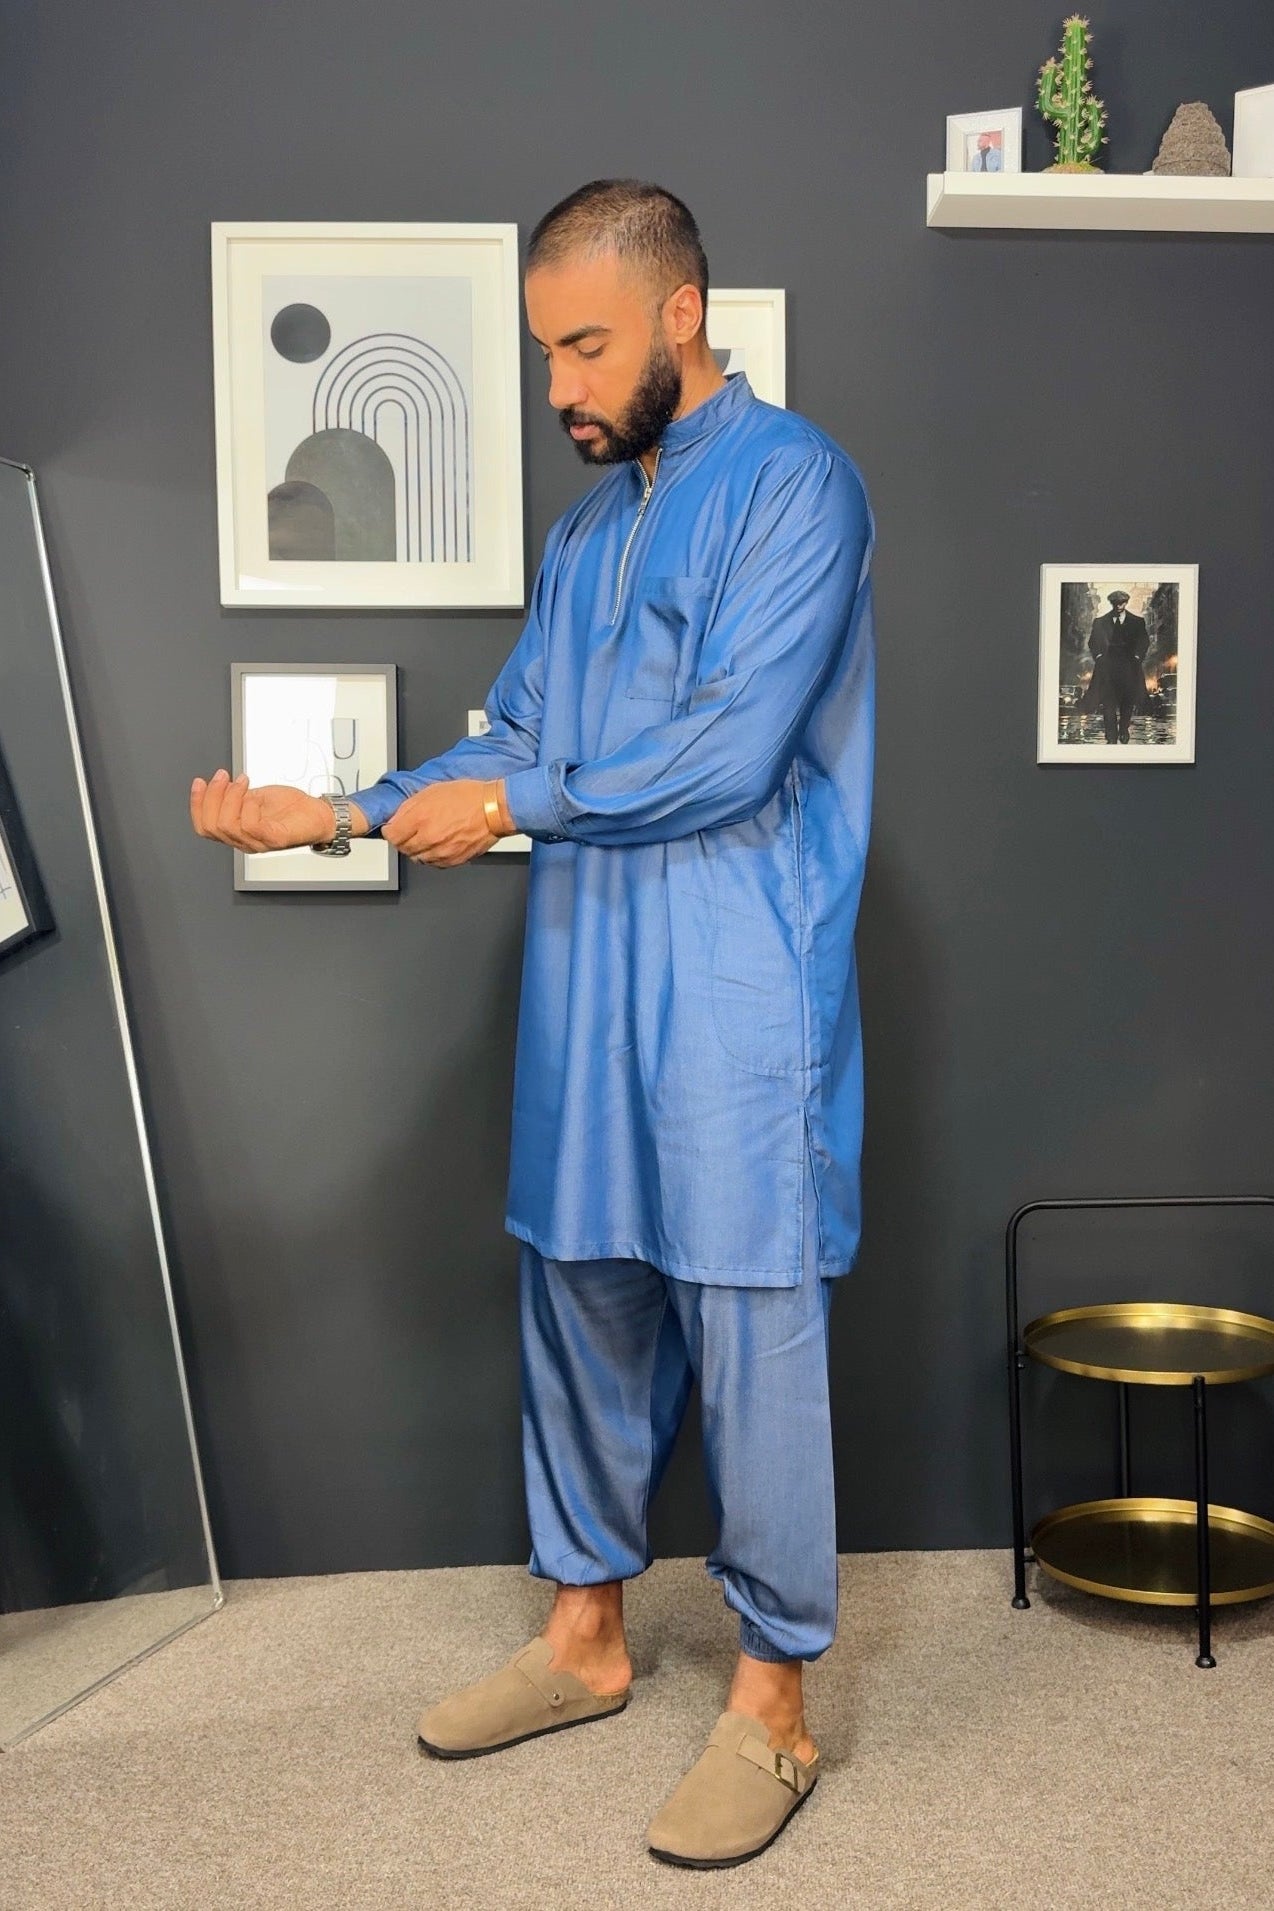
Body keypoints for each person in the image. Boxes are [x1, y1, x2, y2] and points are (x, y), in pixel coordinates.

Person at [189, 179, 876, 1870]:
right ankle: (582, 1638)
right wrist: (339, 812)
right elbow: (513, 733)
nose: (559, 386)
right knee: (575, 1288)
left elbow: (727, 754)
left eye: (584, 346)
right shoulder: (581, 538)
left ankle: (772, 1703)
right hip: (586, 974)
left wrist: (506, 806)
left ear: (680, 314)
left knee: (749, 1321)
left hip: (733, 984)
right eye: (542, 352)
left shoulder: (795, 485)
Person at [1079, 588, 1150, 743]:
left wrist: (1138, 656)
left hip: (1129, 668)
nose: (1118, 606)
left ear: (1126, 603)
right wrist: (1098, 656)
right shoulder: (1100, 622)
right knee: (1108, 702)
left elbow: (1144, 641)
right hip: (1107, 669)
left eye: (1121, 603)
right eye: (1115, 603)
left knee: (1127, 701)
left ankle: (1123, 729)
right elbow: (1093, 642)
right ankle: (1111, 736)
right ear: (1111, 603)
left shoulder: (1137, 622)